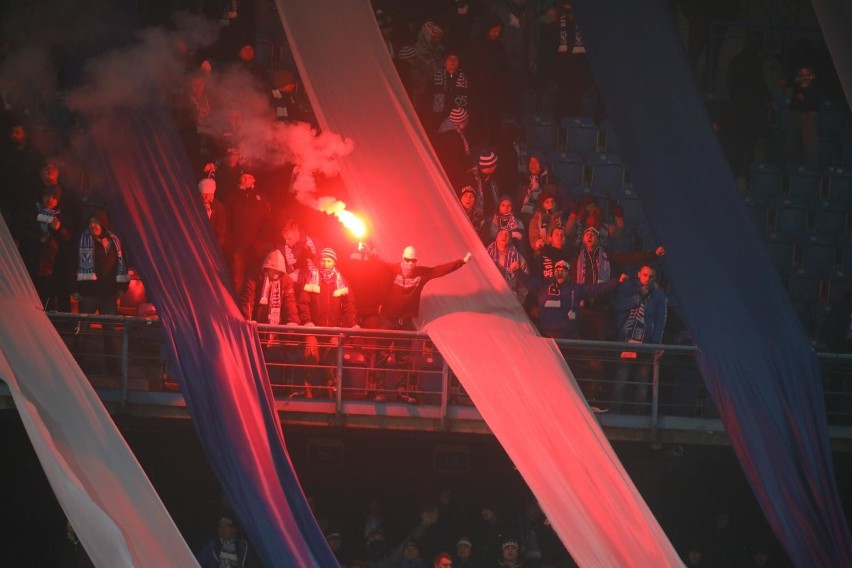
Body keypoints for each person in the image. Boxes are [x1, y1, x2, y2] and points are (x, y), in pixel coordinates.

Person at [72, 210, 130, 375]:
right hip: (88, 293)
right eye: (91, 221)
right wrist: (73, 289)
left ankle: (113, 370)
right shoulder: (82, 239)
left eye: (96, 221)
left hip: (108, 295)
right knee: (81, 332)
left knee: (110, 334)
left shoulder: (114, 241)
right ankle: (76, 370)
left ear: (104, 223)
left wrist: (121, 288)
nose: (93, 225)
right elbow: (70, 262)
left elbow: (122, 262)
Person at [297, 248, 358, 397]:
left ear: (334, 262)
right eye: (323, 260)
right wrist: (307, 322)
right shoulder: (311, 278)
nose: (325, 263)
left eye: (329, 260)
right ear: (319, 262)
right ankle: (308, 389)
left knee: (332, 355)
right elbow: (303, 303)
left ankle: (331, 390)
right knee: (311, 353)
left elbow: (349, 307)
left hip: (334, 330)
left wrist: (352, 324)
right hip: (313, 329)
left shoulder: (342, 281)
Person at [513, 259, 625, 340]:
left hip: (570, 340)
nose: (560, 272)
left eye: (564, 270)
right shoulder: (543, 287)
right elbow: (528, 281)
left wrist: (617, 282)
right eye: (557, 270)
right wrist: (517, 270)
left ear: (569, 274)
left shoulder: (576, 289)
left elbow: (597, 289)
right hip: (547, 338)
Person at [612, 265, 667, 412]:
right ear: (639, 274)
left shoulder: (658, 296)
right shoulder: (627, 288)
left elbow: (660, 320)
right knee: (621, 381)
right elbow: (618, 306)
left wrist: (655, 342)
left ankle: (638, 419)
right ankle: (616, 415)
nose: (647, 279)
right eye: (645, 275)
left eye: (650, 277)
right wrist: (638, 297)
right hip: (626, 340)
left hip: (646, 343)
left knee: (642, 384)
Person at [13, 184, 73, 309]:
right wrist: (38, 238)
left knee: (44, 302)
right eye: (48, 195)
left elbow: (69, 240)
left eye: (54, 197)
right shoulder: (31, 211)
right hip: (29, 263)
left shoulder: (61, 217)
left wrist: (59, 228)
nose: (50, 199)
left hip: (50, 268)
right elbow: (19, 231)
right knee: (26, 300)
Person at [222, 172, 271, 298]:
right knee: (237, 279)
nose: (246, 179)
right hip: (238, 246)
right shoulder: (232, 197)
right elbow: (226, 222)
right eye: (243, 177)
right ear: (239, 179)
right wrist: (229, 243)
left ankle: (251, 310)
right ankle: (235, 307)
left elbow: (267, 221)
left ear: (254, 179)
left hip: (256, 246)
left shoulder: (261, 197)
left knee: (255, 279)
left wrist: (261, 241)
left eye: (249, 177)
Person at [487, 227, 527, 304]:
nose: (504, 236)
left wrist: (520, 301)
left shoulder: (518, 259)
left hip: (510, 299)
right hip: (489, 296)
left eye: (507, 234)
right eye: (501, 234)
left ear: (510, 239)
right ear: (496, 238)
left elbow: (524, 282)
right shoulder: (486, 254)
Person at [198, 178, 228, 250]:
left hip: (209, 243)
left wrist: (216, 246)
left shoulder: (218, 207)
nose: (206, 197)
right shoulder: (194, 202)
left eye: (209, 194)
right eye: (204, 194)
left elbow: (220, 231)